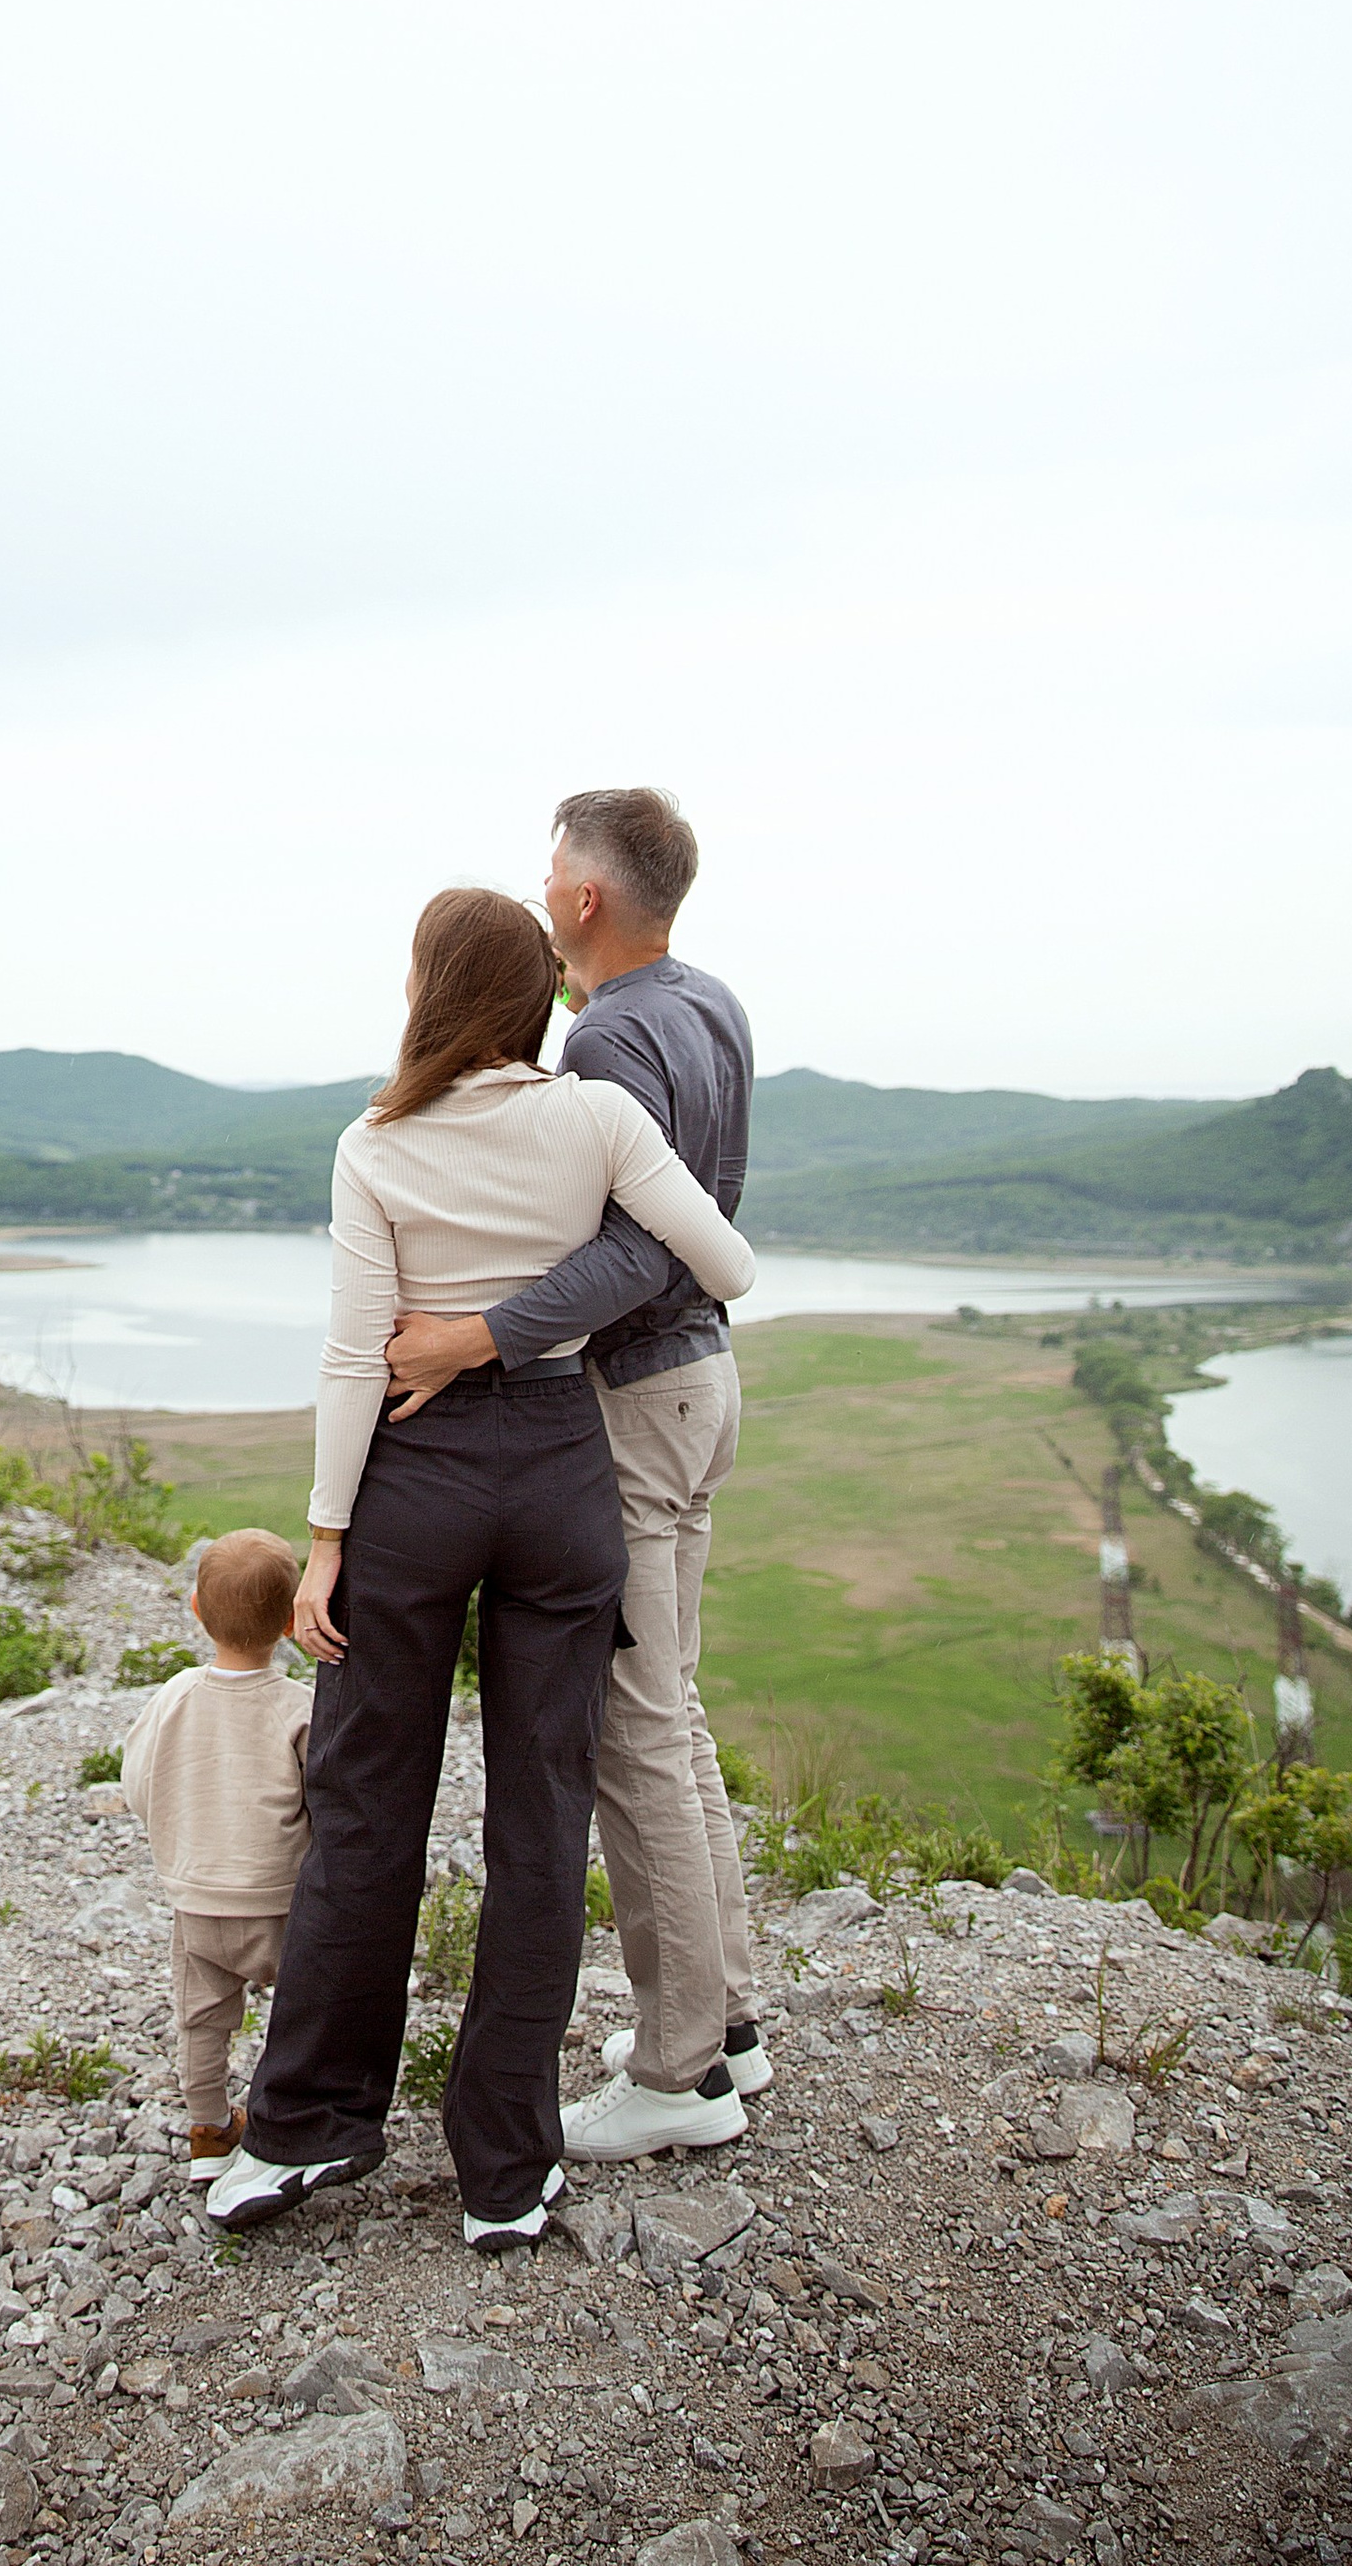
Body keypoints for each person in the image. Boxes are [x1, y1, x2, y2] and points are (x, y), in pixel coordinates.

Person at [203, 887, 757, 2253]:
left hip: (417, 1481)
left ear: (428, 991)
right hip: (563, 1470)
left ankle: (307, 2127)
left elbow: (352, 1357)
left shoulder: (374, 1141)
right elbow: (724, 1259)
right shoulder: (595, 1118)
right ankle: (506, 2167)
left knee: (368, 1799)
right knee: (542, 1816)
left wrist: (326, 1540)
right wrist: (529, 1320)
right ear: (533, 995)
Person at [383, 789, 767, 2162]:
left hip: (642, 1389)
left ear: (588, 897)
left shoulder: (606, 1033)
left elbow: (639, 1252)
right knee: (676, 1707)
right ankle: (726, 2024)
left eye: (553, 871)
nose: (543, 891)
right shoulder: (709, 1001)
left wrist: (476, 1333)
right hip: (704, 1380)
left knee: (635, 1727)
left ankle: (679, 2076)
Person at [119, 1528, 313, 2180]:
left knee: (201, 2022)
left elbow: (137, 1783)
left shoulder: (172, 1697)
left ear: (197, 1611)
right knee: (304, 2012)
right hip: (283, 1903)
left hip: (198, 1901)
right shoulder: (298, 1706)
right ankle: (292, 2120)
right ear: (292, 1620)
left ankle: (207, 2131)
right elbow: (329, 1802)